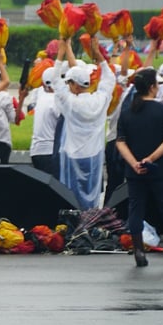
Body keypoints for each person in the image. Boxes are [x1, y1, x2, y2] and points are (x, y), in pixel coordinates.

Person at [115, 67, 163, 268]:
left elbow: (120, 142)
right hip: (160, 168)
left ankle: (139, 252)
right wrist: (151, 158)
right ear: (151, 87)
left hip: (134, 170)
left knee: (136, 208)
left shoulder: (127, 112)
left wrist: (134, 162)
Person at [53, 38, 114, 210]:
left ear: (76, 85)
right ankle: (90, 222)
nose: (68, 87)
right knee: (92, 195)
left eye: (69, 83)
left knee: (72, 197)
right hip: (94, 155)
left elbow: (55, 81)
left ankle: (76, 225)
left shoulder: (72, 103)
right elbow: (109, 79)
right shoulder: (101, 100)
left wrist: (60, 54)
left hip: (74, 156)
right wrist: (99, 55)